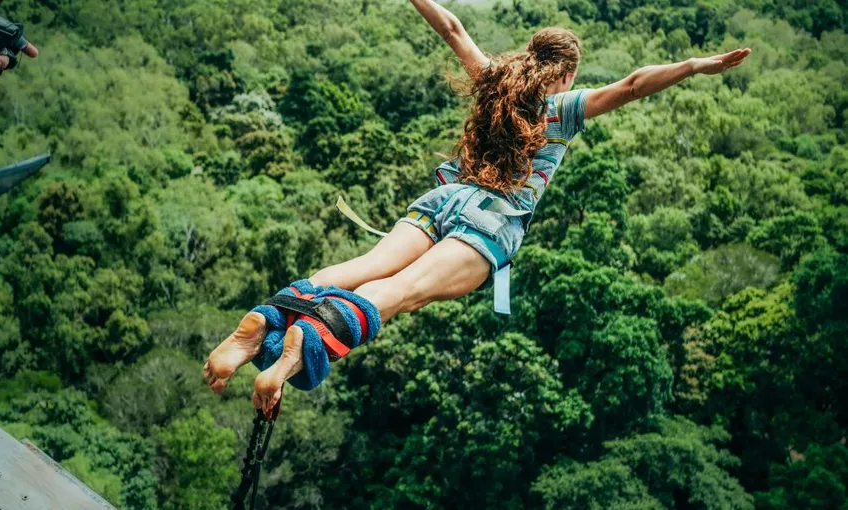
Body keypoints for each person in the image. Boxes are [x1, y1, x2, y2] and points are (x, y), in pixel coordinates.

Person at [204, 0, 751, 416]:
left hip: (442, 199)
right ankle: (293, 353)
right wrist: (696, 65)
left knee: (356, 271)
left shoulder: (493, 82)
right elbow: (633, 85)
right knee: (398, 294)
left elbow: (453, 28)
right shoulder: (562, 108)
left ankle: (267, 321)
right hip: (490, 221)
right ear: (566, 73)